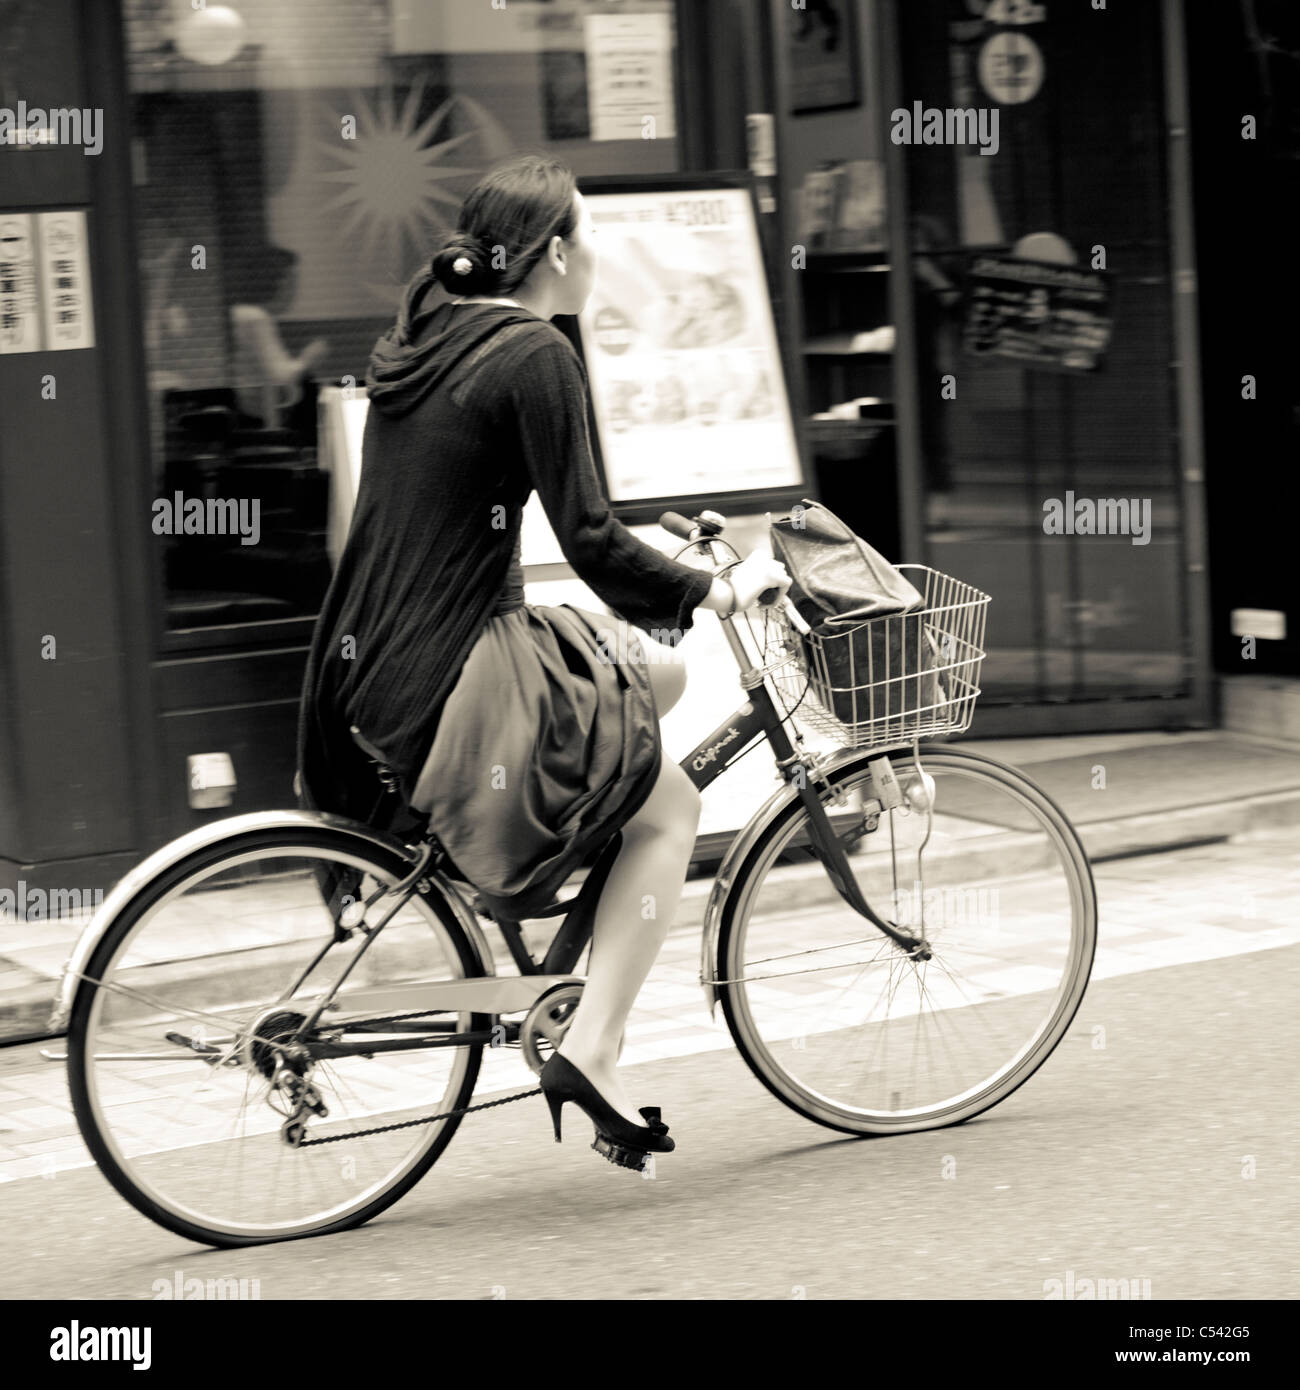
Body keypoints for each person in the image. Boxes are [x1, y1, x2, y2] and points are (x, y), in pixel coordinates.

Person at [295, 154, 789, 1168]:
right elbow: (595, 540)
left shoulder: (428, 327)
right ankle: (593, 1045)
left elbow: (571, 518)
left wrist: (665, 574)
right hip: (454, 672)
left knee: (655, 682)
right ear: (558, 253)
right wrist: (714, 588)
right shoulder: (534, 354)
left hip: (375, 660)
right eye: (589, 238)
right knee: (671, 809)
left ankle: (572, 893)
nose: (597, 256)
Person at [229, 247, 329, 428]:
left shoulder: (241, 313)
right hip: (257, 422)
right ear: (277, 282)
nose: (295, 289)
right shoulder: (255, 317)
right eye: (292, 281)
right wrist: (309, 359)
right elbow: (281, 377)